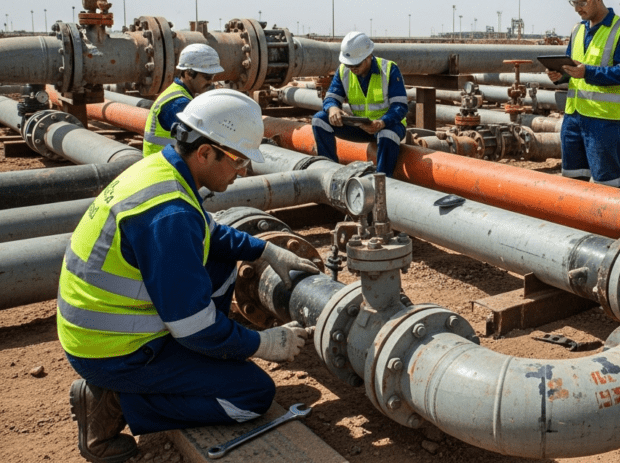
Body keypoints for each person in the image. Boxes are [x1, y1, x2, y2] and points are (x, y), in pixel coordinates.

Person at [58, 89, 320, 463]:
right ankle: (114, 400)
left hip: (106, 329)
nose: (243, 171)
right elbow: (194, 326)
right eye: (239, 160)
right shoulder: (169, 214)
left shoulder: (162, 171)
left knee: (221, 258)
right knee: (252, 396)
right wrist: (264, 344)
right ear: (205, 152)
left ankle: (204, 355)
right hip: (112, 352)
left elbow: (208, 233)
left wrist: (264, 249)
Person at [545, 0, 620, 187]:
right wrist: (560, 76)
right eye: (573, 3)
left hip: (604, 121)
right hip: (573, 118)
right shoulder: (578, 31)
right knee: (572, 183)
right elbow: (571, 70)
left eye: (582, 2)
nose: (577, 8)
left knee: (608, 186)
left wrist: (588, 72)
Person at [312, 31, 408, 177]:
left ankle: (382, 182)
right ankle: (329, 174)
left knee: (387, 134)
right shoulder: (344, 71)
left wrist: (382, 122)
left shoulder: (388, 70)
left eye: (356, 64)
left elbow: (400, 106)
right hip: (361, 126)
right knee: (319, 120)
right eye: (349, 64)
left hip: (388, 125)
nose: (352, 68)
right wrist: (332, 108)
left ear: (368, 56)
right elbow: (331, 97)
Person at [143, 43, 224, 156]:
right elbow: (203, 143)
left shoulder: (180, 93)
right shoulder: (179, 103)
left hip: (166, 163)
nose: (211, 82)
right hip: (165, 168)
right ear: (188, 73)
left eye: (213, 77)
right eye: (207, 77)